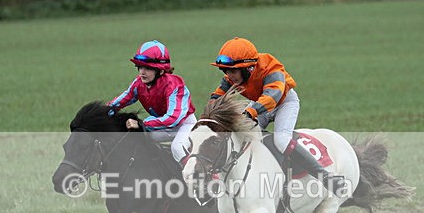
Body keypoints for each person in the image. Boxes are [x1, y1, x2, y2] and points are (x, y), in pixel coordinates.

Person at [209, 37, 347, 197]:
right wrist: (208, 115)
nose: (229, 75)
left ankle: (326, 178)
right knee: (240, 136)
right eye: (225, 71)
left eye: (232, 71)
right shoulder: (231, 77)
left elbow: (272, 96)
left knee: (281, 141)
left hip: (283, 102)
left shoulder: (271, 68)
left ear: (249, 68)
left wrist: (250, 113)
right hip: (259, 104)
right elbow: (217, 96)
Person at [107, 40, 196, 164]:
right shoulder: (138, 84)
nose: (142, 72)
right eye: (140, 67)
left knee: (177, 148)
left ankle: (204, 179)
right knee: (137, 138)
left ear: (160, 71)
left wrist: (142, 124)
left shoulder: (174, 84)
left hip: (184, 125)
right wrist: (102, 113)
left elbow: (173, 118)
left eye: (147, 68)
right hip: (162, 126)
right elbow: (120, 101)